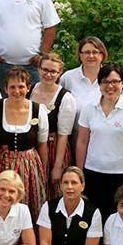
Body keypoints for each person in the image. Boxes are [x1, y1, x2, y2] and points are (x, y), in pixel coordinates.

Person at [75, 64, 123, 220]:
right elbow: (82, 142)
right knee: (93, 218)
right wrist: (80, 173)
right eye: (105, 82)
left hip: (120, 174)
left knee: (115, 219)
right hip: (92, 172)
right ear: (99, 85)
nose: (110, 86)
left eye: (115, 81)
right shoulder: (89, 108)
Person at [0, 66, 49, 222]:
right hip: (1, 164)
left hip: (29, 166)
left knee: (29, 205)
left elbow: (42, 144)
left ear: (28, 88)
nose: (17, 91)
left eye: (21, 87)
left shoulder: (38, 110)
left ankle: (28, 241)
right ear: (5, 89)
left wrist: (43, 173)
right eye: (12, 87)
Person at [30, 53, 77, 198]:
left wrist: (57, 167)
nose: (48, 74)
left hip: (54, 148)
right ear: (39, 69)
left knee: (53, 191)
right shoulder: (29, 90)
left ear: (59, 73)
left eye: (53, 71)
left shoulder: (65, 97)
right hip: (32, 147)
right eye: (45, 70)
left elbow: (63, 135)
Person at [59, 37, 107, 108]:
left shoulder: (110, 78)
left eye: (95, 52)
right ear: (80, 55)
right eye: (87, 52)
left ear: (102, 55)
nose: (91, 56)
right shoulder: (68, 78)